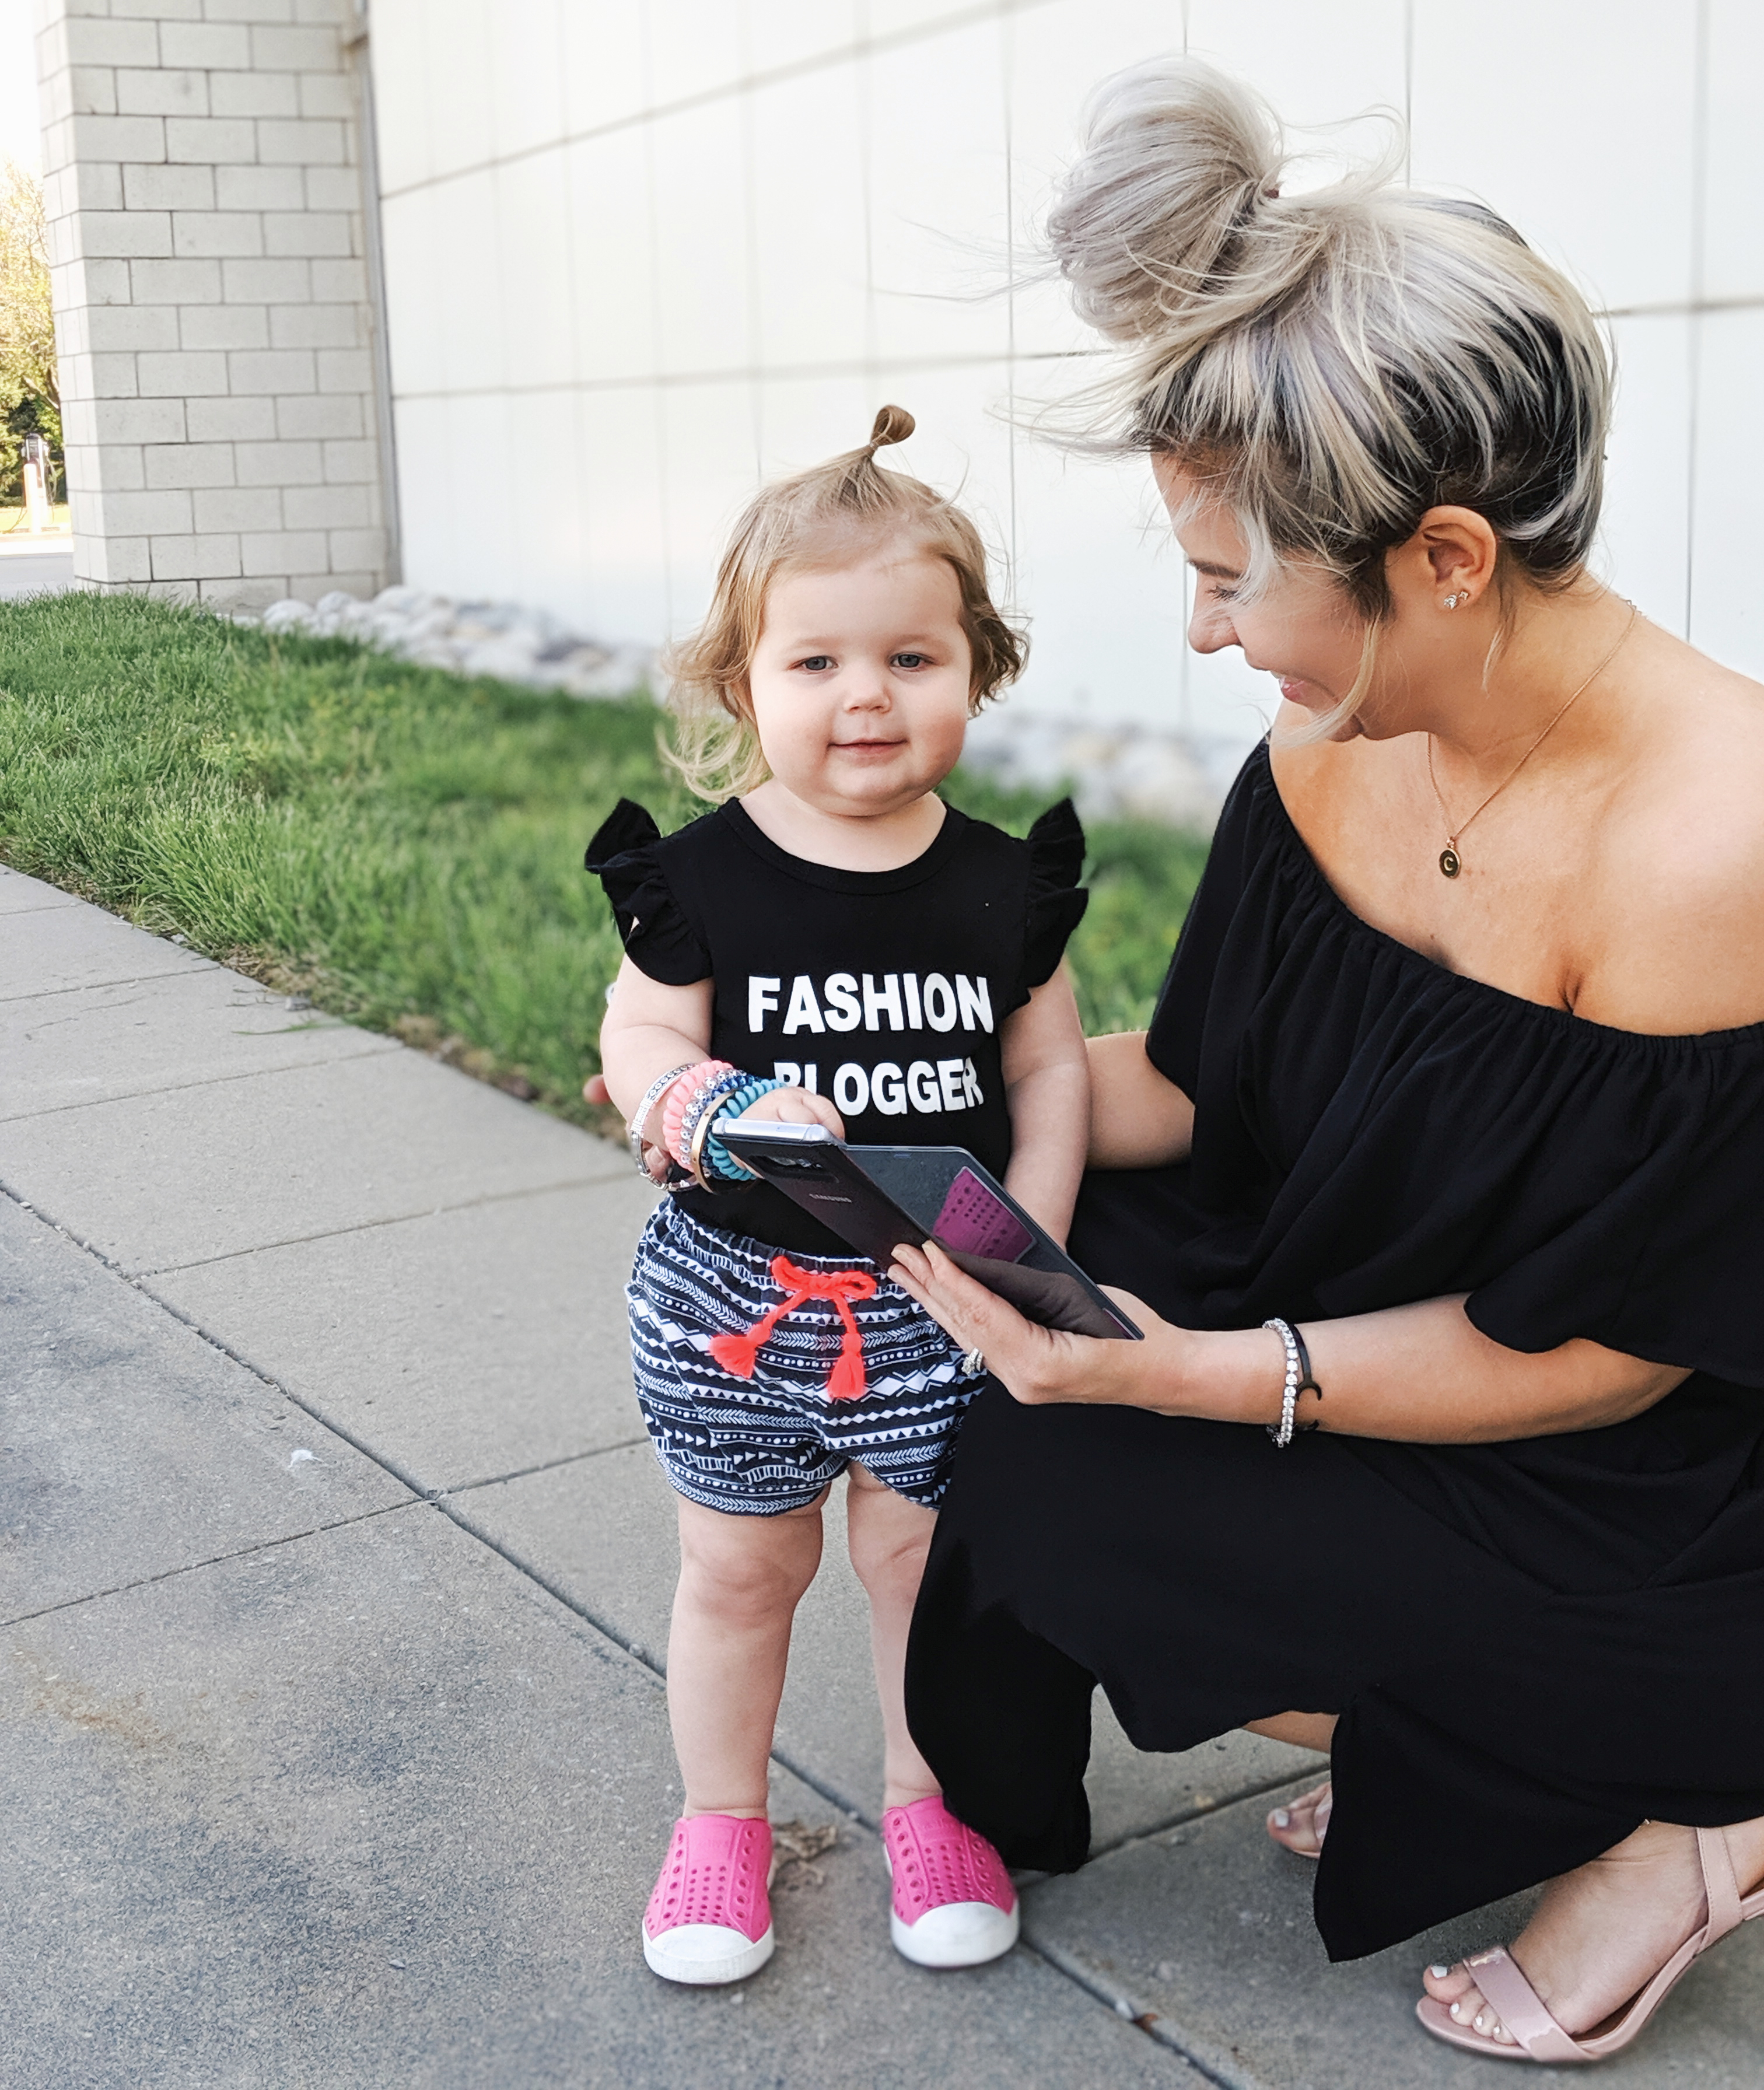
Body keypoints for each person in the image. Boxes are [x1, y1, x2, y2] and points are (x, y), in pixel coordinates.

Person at [890, 59, 1764, 2067]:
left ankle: (1701, 1797)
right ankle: (1460, 1720)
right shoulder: (1333, 734)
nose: (1204, 634)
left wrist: (1175, 1373)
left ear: (1445, 559)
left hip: (1638, 1451)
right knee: (1025, 1296)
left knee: (1073, 1474)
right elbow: (1207, 1093)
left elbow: (1607, 1353)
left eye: (1230, 580)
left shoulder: (1712, 834)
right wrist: (882, 1102)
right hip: (1390, 1307)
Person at [585, 408, 1091, 1986]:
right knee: (741, 1566)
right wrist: (705, 1101)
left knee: (918, 1569)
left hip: (939, 1298)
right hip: (732, 1306)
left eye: (910, 659)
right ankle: (721, 1822)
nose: (864, 695)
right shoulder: (704, 878)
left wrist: (1036, 1238)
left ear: (976, 668)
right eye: (813, 663)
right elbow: (638, 1032)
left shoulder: (1006, 885)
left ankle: (924, 1800)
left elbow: (1051, 1074)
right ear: (744, 684)